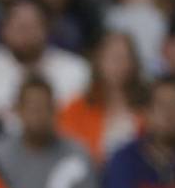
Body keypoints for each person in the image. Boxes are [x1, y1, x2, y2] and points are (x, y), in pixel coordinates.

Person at [0, 0, 90, 119]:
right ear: (3, 29)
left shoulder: (75, 69)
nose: (26, 33)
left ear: (47, 29)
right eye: (19, 26)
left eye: (32, 26)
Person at [0, 77, 96, 188]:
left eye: (43, 107)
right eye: (31, 108)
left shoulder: (77, 153)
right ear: (18, 110)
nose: (38, 114)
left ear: (54, 110)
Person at [57, 32, 147, 164]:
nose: (118, 64)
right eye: (112, 58)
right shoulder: (77, 108)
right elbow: (62, 149)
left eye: (124, 58)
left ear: (134, 64)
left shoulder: (147, 108)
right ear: (99, 61)